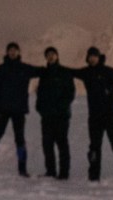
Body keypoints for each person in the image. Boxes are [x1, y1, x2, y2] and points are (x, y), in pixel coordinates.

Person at [71, 46, 113, 185]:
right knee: (94, 148)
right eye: (90, 56)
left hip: (110, 117)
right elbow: (70, 72)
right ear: (87, 58)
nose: (92, 58)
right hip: (94, 119)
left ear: (99, 57)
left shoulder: (109, 72)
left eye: (94, 56)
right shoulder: (86, 73)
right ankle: (93, 177)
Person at [0, 42, 42, 177]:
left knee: (20, 140)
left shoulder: (24, 68)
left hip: (19, 111)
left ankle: (22, 169)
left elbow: (41, 71)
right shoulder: (1, 69)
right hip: (2, 111)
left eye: (15, 50)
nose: (13, 52)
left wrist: (55, 69)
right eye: (10, 50)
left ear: (19, 52)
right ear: (7, 52)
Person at [35, 46, 75, 179]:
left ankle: (64, 173)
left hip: (61, 116)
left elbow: (70, 93)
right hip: (47, 116)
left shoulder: (64, 73)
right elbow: (40, 93)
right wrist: (39, 107)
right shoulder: (44, 74)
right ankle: (50, 171)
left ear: (57, 56)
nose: (51, 57)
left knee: (62, 143)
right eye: (48, 55)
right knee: (47, 144)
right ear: (46, 58)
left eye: (53, 54)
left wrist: (62, 107)